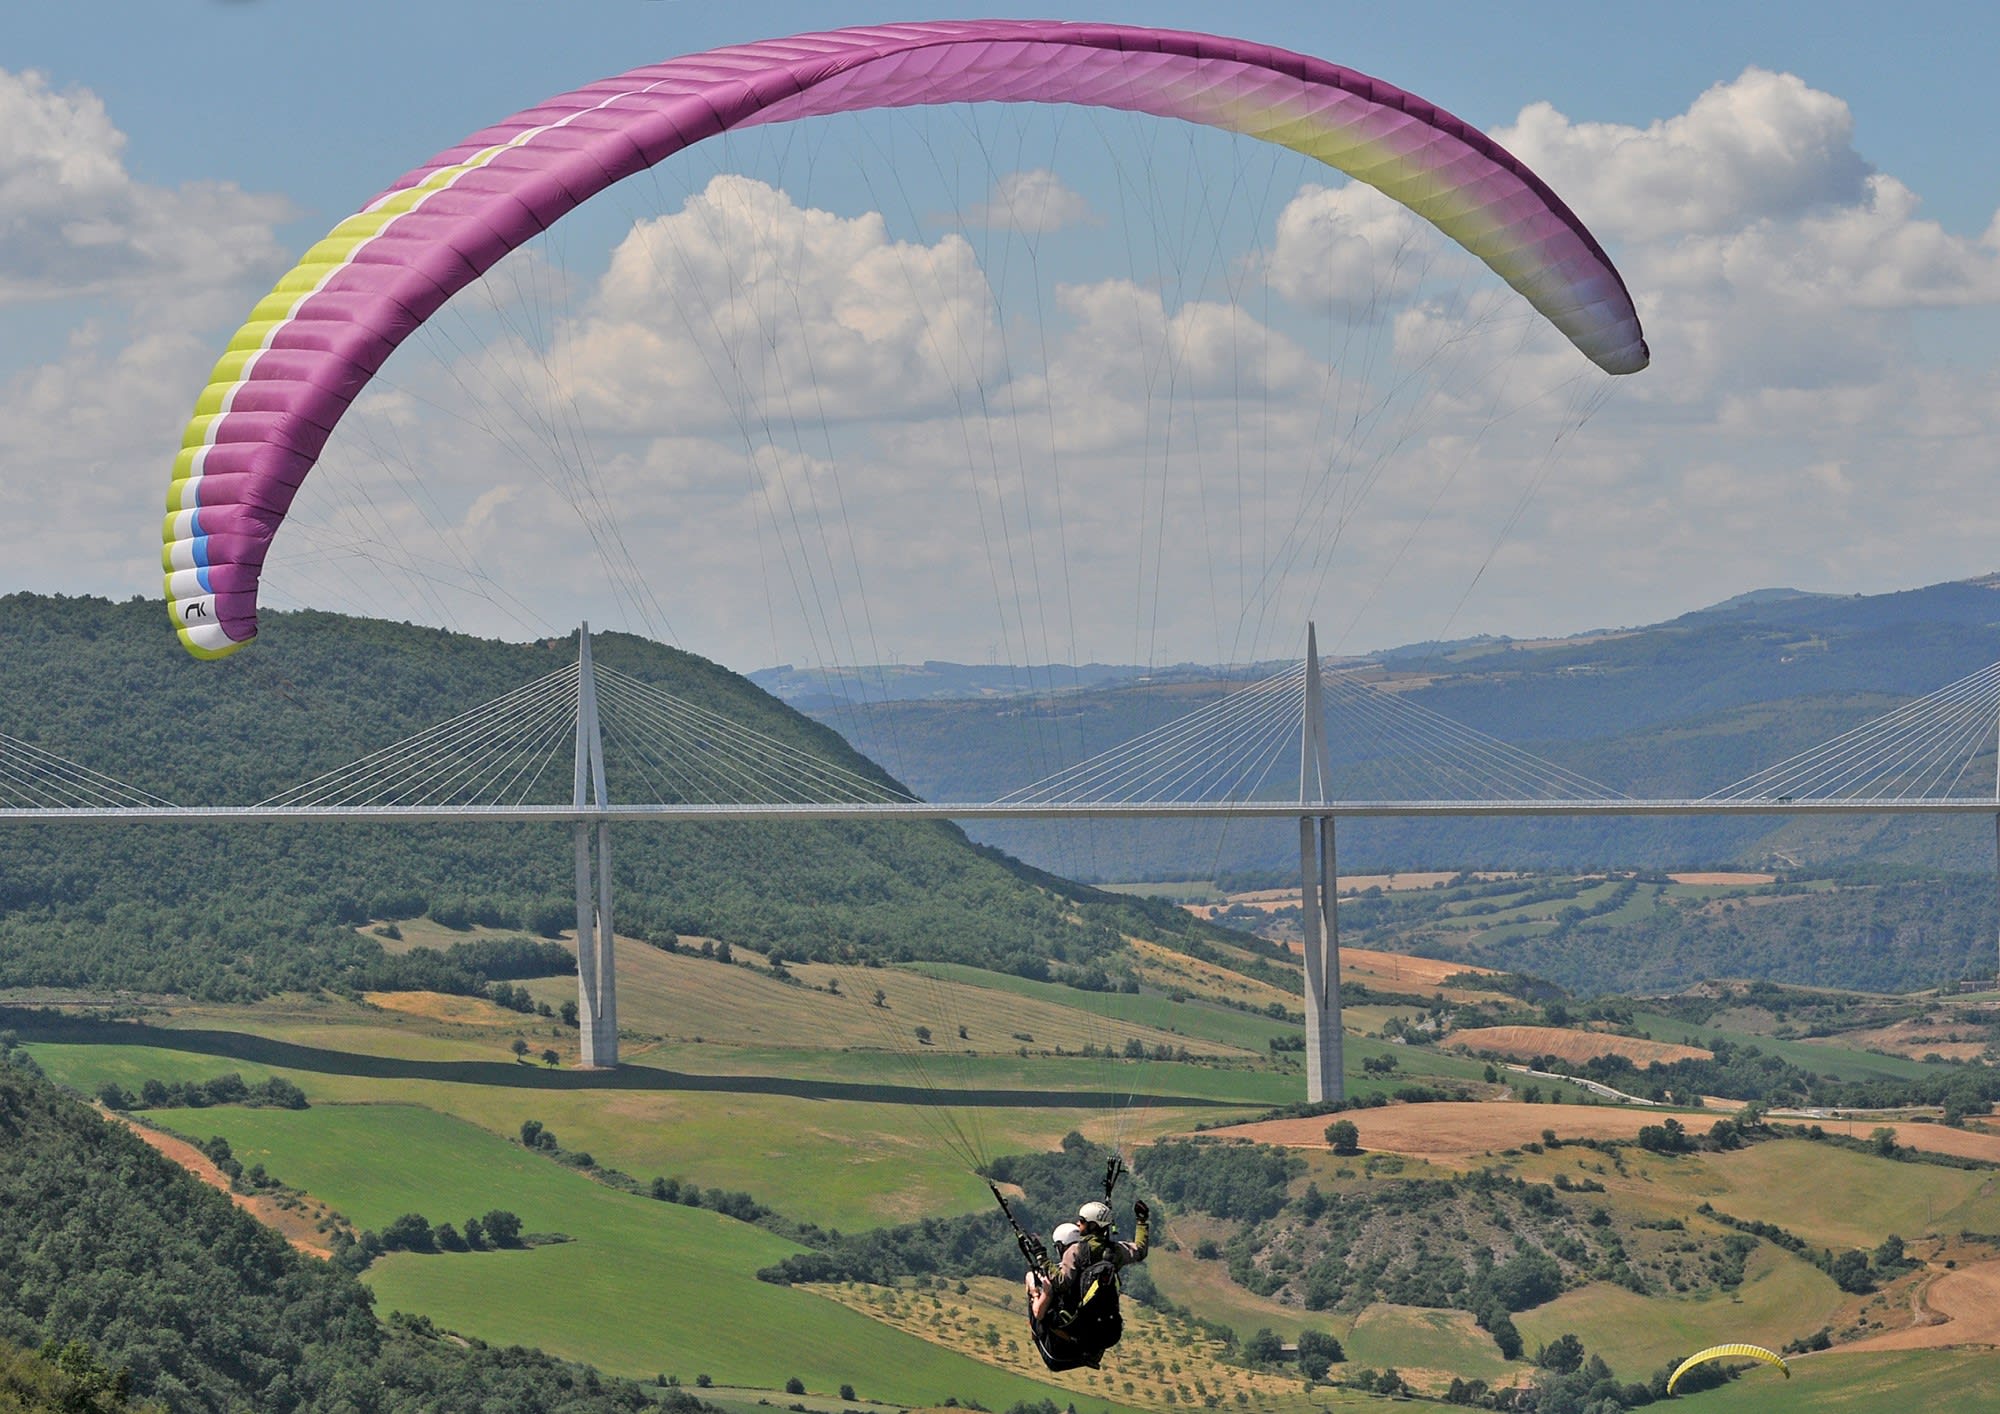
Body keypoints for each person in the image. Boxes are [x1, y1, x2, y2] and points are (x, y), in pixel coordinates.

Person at [1028, 1198, 1150, 1370]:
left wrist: (1042, 1258)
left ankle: (1035, 1332)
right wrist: (1142, 1220)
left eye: (1083, 1221)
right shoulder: (1116, 1251)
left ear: (1093, 1226)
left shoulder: (1076, 1250)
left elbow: (1062, 1282)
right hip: (1107, 1326)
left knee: (1035, 1285)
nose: (1078, 1224)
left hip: (1076, 1321)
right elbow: (1140, 1250)